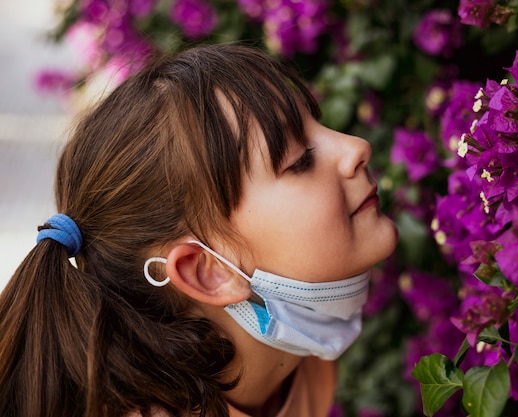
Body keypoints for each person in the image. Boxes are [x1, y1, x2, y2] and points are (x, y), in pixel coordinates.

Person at [0, 44, 398, 417]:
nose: (355, 147)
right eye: (299, 161)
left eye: (319, 124)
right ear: (208, 271)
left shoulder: (296, 368)